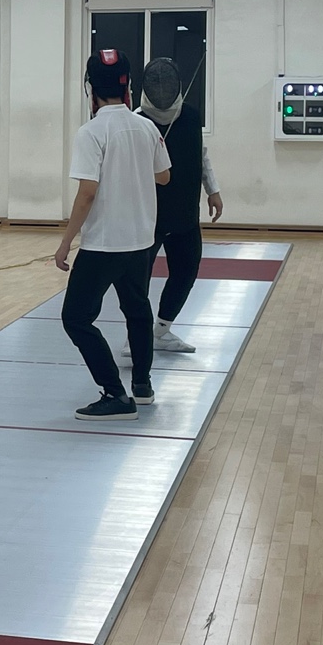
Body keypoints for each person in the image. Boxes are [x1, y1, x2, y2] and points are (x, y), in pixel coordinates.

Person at [53, 49, 171, 421]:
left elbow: (87, 193)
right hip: (140, 241)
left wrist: (65, 242)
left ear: (90, 89)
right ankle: (142, 386)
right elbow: (164, 176)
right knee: (137, 311)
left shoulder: (91, 132)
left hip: (103, 245)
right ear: (128, 87)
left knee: (76, 318)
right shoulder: (146, 127)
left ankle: (115, 394)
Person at [131, 57, 224, 355]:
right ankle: (135, 336)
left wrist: (213, 190)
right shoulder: (136, 121)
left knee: (186, 270)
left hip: (185, 212)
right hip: (147, 216)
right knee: (137, 280)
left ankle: (161, 331)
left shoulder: (191, 116)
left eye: (167, 84)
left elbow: (200, 155)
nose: (162, 90)